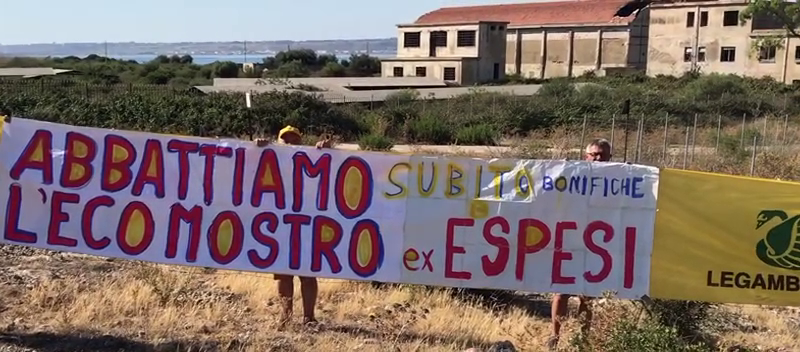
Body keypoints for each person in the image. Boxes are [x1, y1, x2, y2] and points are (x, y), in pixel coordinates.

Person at [254, 125, 331, 327]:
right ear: (278, 141)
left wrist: (324, 150)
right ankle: (285, 317)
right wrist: (257, 148)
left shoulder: (311, 158)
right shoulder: (270, 158)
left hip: (305, 226)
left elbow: (327, 170)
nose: (289, 143)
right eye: (285, 140)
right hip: (280, 227)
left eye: (294, 140)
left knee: (307, 275)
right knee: (284, 275)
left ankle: (309, 318)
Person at [547, 138, 611, 350]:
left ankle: (582, 340)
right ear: (586, 156)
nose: (598, 158)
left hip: (597, 242)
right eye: (594, 154)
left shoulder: (616, 178)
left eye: (602, 154)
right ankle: (554, 337)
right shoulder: (573, 174)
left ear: (610, 157)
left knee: (588, 294)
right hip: (570, 239)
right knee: (561, 291)